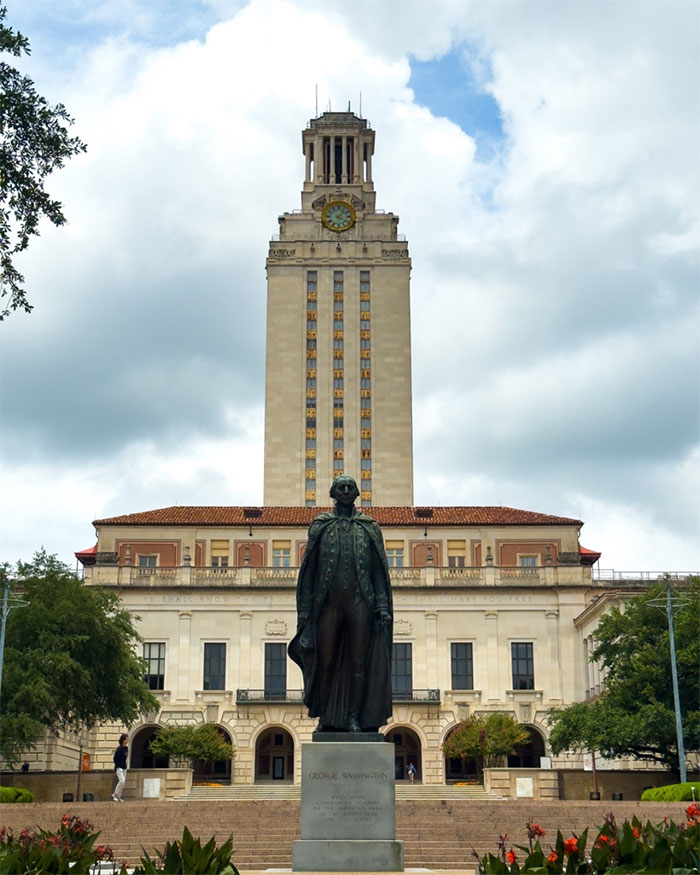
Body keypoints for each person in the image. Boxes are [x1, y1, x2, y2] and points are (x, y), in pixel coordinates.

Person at [289, 475, 393, 733]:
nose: (346, 490)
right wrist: (305, 613)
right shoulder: (321, 526)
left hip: (361, 602)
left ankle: (354, 716)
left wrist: (382, 605)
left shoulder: (369, 527)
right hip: (328, 605)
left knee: (359, 663)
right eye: (341, 487)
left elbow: (379, 571)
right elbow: (309, 571)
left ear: (357, 493)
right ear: (332, 492)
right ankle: (326, 716)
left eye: (350, 487)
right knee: (326, 661)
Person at [112, 733, 128, 801]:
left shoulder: (126, 748)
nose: (127, 740)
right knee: (122, 781)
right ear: (123, 739)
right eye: (126, 739)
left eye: (128, 739)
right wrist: (117, 765)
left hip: (124, 767)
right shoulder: (119, 748)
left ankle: (118, 796)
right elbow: (115, 758)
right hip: (119, 767)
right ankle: (115, 794)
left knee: (123, 782)